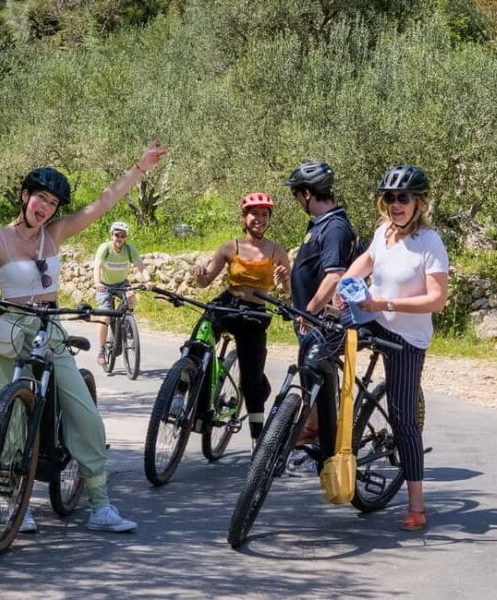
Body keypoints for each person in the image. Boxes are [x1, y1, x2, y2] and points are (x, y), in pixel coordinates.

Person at [0, 139, 167, 534]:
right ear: (24, 196)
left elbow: (102, 205)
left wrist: (140, 168)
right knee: (8, 419)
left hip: (50, 330)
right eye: (40, 198)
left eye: (53, 204)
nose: (45, 208)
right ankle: (13, 501)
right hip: (11, 330)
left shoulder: (53, 234)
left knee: (85, 414)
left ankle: (100, 504)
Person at [337, 165, 449, 532]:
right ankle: (307, 423)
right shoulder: (383, 231)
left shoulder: (429, 242)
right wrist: (345, 284)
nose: (396, 204)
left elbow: (437, 300)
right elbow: (365, 261)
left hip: (407, 337)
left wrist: (387, 303)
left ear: (419, 202)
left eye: (404, 198)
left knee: (402, 418)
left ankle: (416, 505)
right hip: (374, 318)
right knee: (319, 345)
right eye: (390, 198)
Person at [192, 193, 291, 448]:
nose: (259, 219)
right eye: (254, 214)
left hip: (255, 314)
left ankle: (257, 442)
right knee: (198, 344)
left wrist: (284, 281)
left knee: (251, 379)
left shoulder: (276, 250)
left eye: (264, 214)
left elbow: (288, 293)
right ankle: (184, 398)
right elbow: (205, 283)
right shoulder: (229, 247)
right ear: (244, 218)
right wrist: (199, 275)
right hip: (227, 303)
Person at [283, 161, 361, 475]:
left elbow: (334, 277)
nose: (297, 201)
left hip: (325, 322)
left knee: (317, 377)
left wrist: (310, 311)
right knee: (311, 380)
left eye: (296, 196)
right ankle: (316, 442)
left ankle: (325, 453)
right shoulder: (319, 224)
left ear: (306, 194)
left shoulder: (335, 227)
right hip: (311, 321)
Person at [93, 220, 152, 367]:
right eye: (117, 235)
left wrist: (148, 280)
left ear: (126, 238)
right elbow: (97, 267)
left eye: (123, 236)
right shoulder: (105, 248)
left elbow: (141, 266)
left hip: (121, 283)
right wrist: (97, 282)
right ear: (111, 235)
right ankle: (101, 350)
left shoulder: (129, 249)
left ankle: (128, 323)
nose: (119, 238)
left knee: (131, 296)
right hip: (105, 285)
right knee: (105, 316)